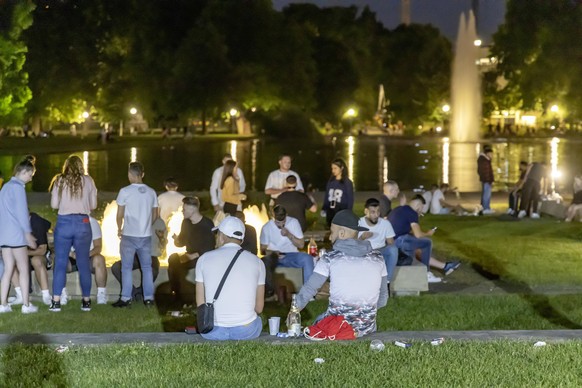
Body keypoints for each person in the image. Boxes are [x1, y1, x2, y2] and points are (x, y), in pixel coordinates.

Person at [296, 210, 388, 337]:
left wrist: (294, 310)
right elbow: (383, 299)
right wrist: (362, 312)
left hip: (337, 327)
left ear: (342, 233)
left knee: (318, 320)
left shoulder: (330, 257)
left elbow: (310, 288)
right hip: (366, 328)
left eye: (332, 232)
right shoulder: (378, 257)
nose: (329, 237)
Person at [196, 216, 265, 340]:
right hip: (246, 332)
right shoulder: (257, 262)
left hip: (212, 331)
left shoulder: (204, 259)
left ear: (221, 237)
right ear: (241, 239)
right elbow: (259, 308)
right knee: (258, 320)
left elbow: (200, 303)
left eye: (217, 234)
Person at [49, 155, 98, 312]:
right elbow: (94, 205)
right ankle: (86, 301)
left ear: (66, 166)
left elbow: (54, 204)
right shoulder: (88, 180)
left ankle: (56, 301)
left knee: (61, 263)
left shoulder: (59, 180)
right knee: (83, 262)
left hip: (64, 223)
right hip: (83, 223)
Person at [112, 161, 158, 308]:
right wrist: (147, 225)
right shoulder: (151, 192)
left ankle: (126, 298)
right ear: (142, 174)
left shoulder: (125, 191)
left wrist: (119, 228)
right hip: (145, 236)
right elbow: (156, 214)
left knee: (126, 267)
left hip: (129, 235)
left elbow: (119, 214)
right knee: (146, 267)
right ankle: (149, 298)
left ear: (130, 174)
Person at [388, 195, 460, 283]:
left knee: (416, 244)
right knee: (427, 243)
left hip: (389, 241)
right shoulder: (412, 212)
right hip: (398, 241)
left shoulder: (399, 209)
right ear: (419, 205)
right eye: (422, 207)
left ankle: (444, 267)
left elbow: (405, 230)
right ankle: (426, 273)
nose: (422, 210)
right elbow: (418, 235)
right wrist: (428, 233)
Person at [0, 158, 39, 313]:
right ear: (24, 172)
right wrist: (28, 234)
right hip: (16, 235)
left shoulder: (5, 187)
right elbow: (22, 213)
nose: (31, 178)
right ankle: (26, 305)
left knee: (8, 268)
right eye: (30, 174)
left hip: (4, 236)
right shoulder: (18, 188)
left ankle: (3, 305)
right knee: (23, 269)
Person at [260, 205, 314, 300]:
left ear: (286, 216)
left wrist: (289, 235)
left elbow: (301, 245)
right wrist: (273, 252)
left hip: (291, 255)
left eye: (283, 222)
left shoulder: (293, 222)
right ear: (273, 217)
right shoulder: (266, 227)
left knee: (307, 258)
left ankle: (308, 295)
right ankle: (269, 294)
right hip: (274, 257)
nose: (280, 225)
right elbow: (262, 250)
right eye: (277, 222)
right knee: (262, 262)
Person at [167, 196, 215, 303]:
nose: (182, 211)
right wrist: (176, 240)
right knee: (173, 258)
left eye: (184, 209)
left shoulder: (207, 224)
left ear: (192, 209)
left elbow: (210, 247)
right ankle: (176, 293)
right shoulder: (186, 223)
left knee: (180, 263)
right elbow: (182, 242)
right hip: (189, 256)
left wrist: (193, 255)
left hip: (202, 258)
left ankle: (191, 298)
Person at [111, 215, 166, 301]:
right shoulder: (134, 219)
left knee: (153, 272)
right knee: (116, 267)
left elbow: (163, 246)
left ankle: (139, 292)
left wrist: (161, 237)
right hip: (134, 256)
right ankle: (134, 292)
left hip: (152, 256)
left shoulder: (159, 222)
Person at [8, 212, 52, 306]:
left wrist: (23, 253)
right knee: (9, 262)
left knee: (36, 260)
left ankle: (46, 295)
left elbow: (42, 250)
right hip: (24, 256)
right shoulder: (15, 224)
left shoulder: (37, 223)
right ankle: (20, 295)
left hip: (40, 255)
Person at [65, 216, 108, 304]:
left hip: (88, 255)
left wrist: (85, 255)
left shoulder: (92, 222)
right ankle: (61, 294)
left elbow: (98, 247)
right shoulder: (66, 222)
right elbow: (60, 245)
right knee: (59, 260)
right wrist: (71, 254)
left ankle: (101, 294)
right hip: (72, 255)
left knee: (100, 259)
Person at [358, 198, 398, 284]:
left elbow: (391, 243)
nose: (376, 215)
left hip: (381, 251)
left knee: (393, 250)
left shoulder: (385, 223)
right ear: (366, 211)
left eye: (378, 211)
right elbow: (352, 244)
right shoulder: (358, 223)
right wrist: (362, 238)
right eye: (373, 212)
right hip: (365, 252)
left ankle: (387, 281)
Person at [322, 158, 354, 227]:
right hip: (331, 210)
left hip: (341, 210)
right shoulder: (331, 182)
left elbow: (350, 199)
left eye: (335, 168)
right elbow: (327, 196)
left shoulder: (347, 183)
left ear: (341, 168)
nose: (333, 171)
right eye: (332, 168)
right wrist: (324, 208)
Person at [477, 144, 495, 214]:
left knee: (486, 194)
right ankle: (486, 208)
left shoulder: (484, 160)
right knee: (486, 195)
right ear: (487, 153)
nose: (492, 155)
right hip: (487, 180)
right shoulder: (485, 161)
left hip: (485, 180)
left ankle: (486, 207)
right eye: (491, 154)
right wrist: (489, 180)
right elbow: (486, 172)